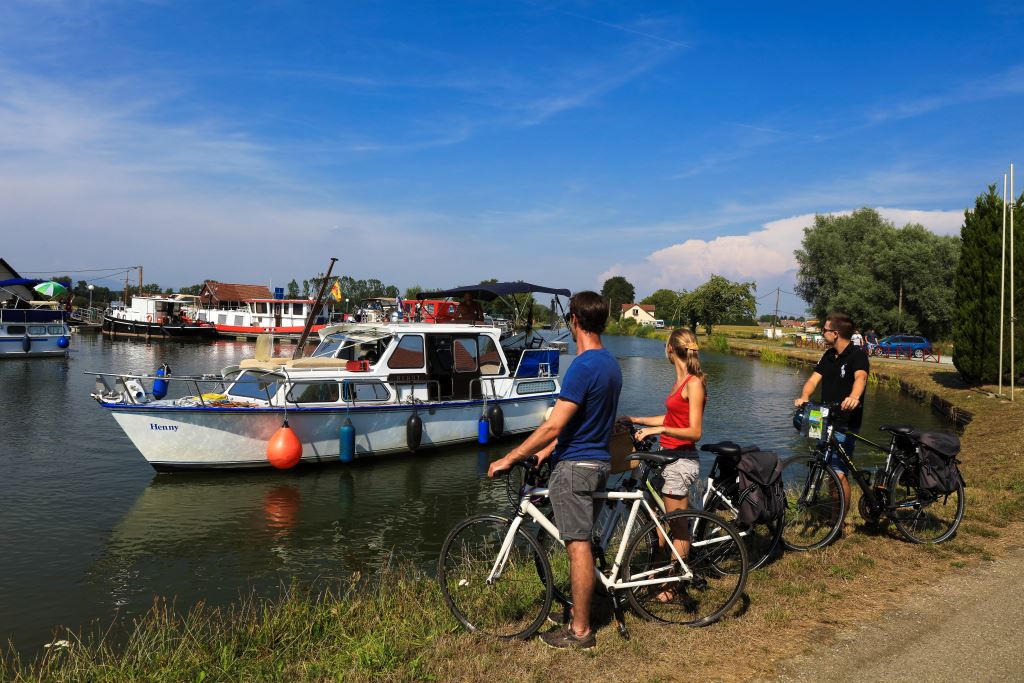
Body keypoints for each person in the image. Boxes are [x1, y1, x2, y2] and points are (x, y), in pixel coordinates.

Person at [488, 291, 621, 650]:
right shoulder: (611, 364)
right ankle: (582, 611)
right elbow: (589, 421)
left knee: (577, 547)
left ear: (573, 321)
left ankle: (580, 631)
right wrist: (548, 451)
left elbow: (554, 424)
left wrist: (511, 457)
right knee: (583, 542)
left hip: (576, 469)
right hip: (598, 462)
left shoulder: (582, 366)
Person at [624, 328, 705, 583]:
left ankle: (676, 583)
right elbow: (670, 419)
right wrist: (637, 420)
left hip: (681, 461)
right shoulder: (680, 382)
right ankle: (657, 573)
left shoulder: (694, 383)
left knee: (678, 527)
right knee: (659, 520)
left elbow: (694, 432)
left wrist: (659, 429)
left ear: (670, 349)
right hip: (666, 456)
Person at [794, 312, 869, 529]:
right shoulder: (828, 356)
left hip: (845, 420)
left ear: (835, 333)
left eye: (824, 330)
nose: (822, 333)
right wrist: (805, 397)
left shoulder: (857, 355)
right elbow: (813, 380)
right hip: (823, 418)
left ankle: (839, 521)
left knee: (838, 471)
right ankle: (832, 512)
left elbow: (860, 378)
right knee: (823, 464)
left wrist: (854, 397)